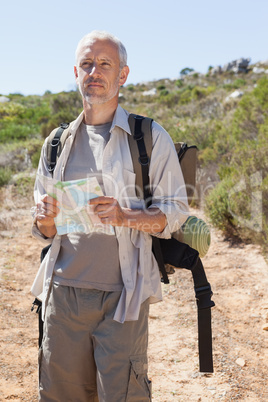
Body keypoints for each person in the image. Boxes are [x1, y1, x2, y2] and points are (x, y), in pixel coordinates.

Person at [31, 30, 189, 402]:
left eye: (105, 64)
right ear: (75, 72)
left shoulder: (148, 137)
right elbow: (43, 230)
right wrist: (45, 218)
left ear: (123, 74)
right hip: (63, 297)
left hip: (125, 297)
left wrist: (125, 215)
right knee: (59, 395)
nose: (94, 72)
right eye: (86, 64)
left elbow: (176, 212)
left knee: (123, 396)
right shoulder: (56, 143)